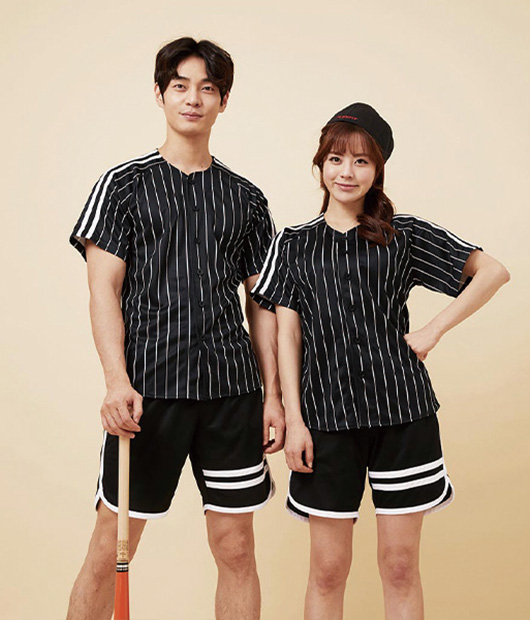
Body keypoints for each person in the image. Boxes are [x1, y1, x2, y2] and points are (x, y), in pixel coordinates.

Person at [251, 102, 510, 620]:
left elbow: (493, 271)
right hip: (324, 423)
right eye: (335, 159)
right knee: (328, 570)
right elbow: (287, 335)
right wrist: (292, 419)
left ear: (378, 169)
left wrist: (433, 330)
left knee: (399, 566)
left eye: (361, 161)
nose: (346, 172)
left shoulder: (402, 234)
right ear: (320, 164)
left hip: (403, 416)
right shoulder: (293, 244)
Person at [67, 37, 284, 620]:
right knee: (108, 550)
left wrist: (273, 397)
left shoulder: (246, 199)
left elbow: (264, 304)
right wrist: (116, 381)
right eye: (181, 86)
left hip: (231, 394)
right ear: (161, 94)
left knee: (236, 548)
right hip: (148, 394)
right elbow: (103, 290)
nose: (193, 99)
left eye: (207, 89)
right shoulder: (122, 186)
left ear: (223, 101)